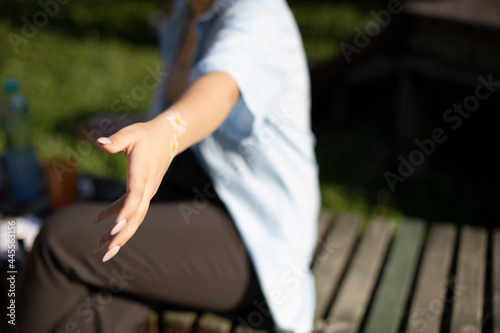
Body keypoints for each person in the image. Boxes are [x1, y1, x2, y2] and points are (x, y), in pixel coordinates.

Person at [13, 0, 320, 332]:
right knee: (100, 293)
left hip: (250, 240)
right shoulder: (186, 13)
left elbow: (220, 90)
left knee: (60, 239)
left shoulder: (259, 15)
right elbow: (190, 113)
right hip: (182, 206)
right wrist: (137, 125)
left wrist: (163, 133)